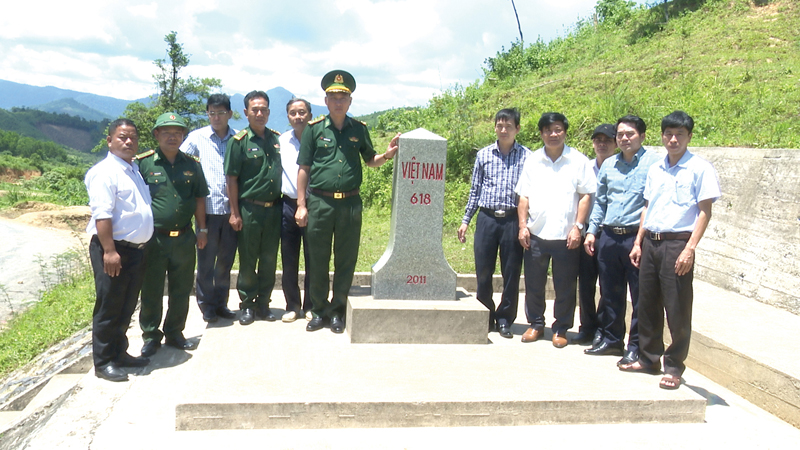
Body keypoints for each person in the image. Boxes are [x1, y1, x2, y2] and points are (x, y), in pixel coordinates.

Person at [295, 70, 399, 334]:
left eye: (343, 97)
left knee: (346, 258)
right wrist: (301, 204)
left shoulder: (358, 130)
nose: (338, 101)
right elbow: (304, 167)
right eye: (333, 96)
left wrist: (386, 155)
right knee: (317, 257)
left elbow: (370, 159)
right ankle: (318, 311)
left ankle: (338, 310)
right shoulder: (313, 130)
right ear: (326, 101)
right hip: (320, 202)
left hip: (350, 205)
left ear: (350, 101)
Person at [623, 111, 720, 390]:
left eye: (679, 134)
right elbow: (647, 207)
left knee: (677, 307)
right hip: (650, 242)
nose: (673, 139)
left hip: (678, 243)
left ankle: (674, 366)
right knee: (647, 303)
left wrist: (690, 248)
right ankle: (649, 358)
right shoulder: (656, 168)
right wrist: (638, 241)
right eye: (668, 134)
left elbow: (704, 212)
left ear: (689, 136)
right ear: (662, 136)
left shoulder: (700, 169)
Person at [583, 117, 661, 365]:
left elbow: (653, 204)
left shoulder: (655, 165)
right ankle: (612, 339)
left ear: (642, 136)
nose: (624, 138)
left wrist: (640, 239)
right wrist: (592, 231)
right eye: (620, 135)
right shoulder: (609, 166)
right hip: (608, 237)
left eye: (630, 134)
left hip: (636, 239)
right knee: (610, 293)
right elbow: (601, 202)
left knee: (639, 296)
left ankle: (635, 346)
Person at [515, 112, 596, 348]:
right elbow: (524, 197)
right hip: (536, 234)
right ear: (541, 133)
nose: (553, 134)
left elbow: (585, 196)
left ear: (565, 132)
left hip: (566, 236)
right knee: (534, 283)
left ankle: (560, 328)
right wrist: (522, 226)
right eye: (548, 130)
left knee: (565, 284)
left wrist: (578, 227)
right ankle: (536, 324)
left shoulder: (578, 160)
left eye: (558, 129)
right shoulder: (533, 160)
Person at [85, 118, 154, 382]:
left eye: (133, 137)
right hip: (114, 250)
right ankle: (103, 362)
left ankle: (120, 353)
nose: (128, 141)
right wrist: (109, 251)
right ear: (110, 141)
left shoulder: (132, 169)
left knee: (126, 304)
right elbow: (102, 215)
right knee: (109, 305)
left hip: (136, 249)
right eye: (123, 137)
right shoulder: (105, 172)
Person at [137, 112, 209, 358]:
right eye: (166, 132)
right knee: (152, 289)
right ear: (156, 134)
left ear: (183, 136)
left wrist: (202, 229)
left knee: (181, 288)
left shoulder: (192, 165)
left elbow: (199, 198)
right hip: (154, 239)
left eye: (177, 132)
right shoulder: (143, 164)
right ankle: (150, 336)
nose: (172, 136)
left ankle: (175, 332)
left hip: (185, 238)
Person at [458, 108, 528, 339]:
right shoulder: (484, 155)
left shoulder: (528, 157)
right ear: (495, 127)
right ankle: (486, 315)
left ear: (517, 128)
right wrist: (466, 220)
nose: (504, 129)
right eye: (500, 125)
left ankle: (506, 319)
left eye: (508, 125)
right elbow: (475, 190)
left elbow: (530, 193)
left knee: (511, 271)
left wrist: (524, 224)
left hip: (512, 219)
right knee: (484, 270)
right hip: (487, 218)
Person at [224, 90, 283, 326]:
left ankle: (264, 304)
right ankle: (247, 305)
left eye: (264, 109)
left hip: (274, 209)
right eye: (255, 109)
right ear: (246, 113)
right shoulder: (238, 142)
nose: (260, 113)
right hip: (249, 209)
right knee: (248, 258)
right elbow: (231, 179)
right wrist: (235, 213)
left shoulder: (277, 140)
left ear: (269, 112)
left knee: (269, 259)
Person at [181, 94, 238, 323]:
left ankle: (221, 302)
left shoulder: (238, 139)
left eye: (221, 113)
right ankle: (206, 305)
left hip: (232, 211)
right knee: (206, 262)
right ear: (207, 114)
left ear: (229, 114)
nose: (216, 117)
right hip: (207, 212)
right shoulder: (197, 138)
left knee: (225, 261)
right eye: (212, 113)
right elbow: (181, 161)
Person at [572, 124, 618, 346]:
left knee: (608, 284)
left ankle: (602, 328)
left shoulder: (620, 168)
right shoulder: (586, 168)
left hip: (609, 233)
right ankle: (587, 327)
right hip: (586, 232)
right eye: (598, 140)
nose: (602, 144)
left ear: (616, 143)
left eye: (607, 140)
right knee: (586, 283)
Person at [279, 98, 313, 322]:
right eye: (293, 113)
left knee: (314, 258)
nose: (298, 116)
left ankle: (311, 305)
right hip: (288, 205)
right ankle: (292, 305)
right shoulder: (281, 140)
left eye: (302, 112)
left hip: (315, 205)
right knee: (289, 258)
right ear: (288, 116)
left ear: (310, 114)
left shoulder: (319, 139)